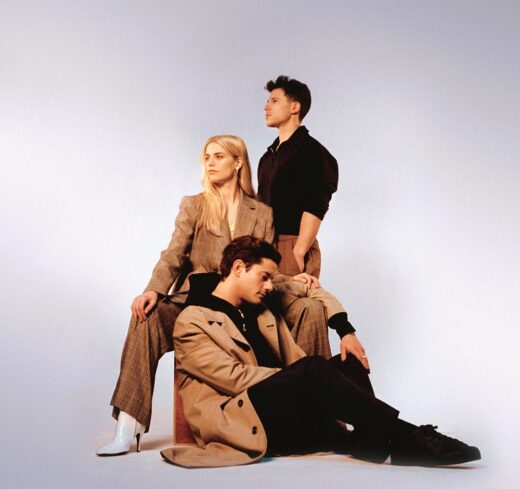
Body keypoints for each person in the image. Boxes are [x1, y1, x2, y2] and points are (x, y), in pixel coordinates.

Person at [97, 135, 335, 457]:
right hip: (195, 300)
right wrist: (153, 289)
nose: (210, 163)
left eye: (218, 156)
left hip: (243, 305)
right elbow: (174, 254)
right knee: (145, 318)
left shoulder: (262, 213)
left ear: (238, 162)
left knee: (308, 308)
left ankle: (315, 414)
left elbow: (264, 266)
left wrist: (294, 280)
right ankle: (128, 424)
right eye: (207, 157)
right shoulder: (195, 204)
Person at [161, 236, 481, 468]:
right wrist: (300, 381)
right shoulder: (193, 320)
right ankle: (410, 436)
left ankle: (369, 443)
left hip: (282, 412)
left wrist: (346, 331)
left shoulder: (260, 305)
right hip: (239, 418)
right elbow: (232, 378)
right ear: (238, 268)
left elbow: (313, 289)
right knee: (312, 369)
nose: (270, 285)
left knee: (347, 362)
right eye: (264, 277)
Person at [258, 75, 338, 277]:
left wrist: (299, 251)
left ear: (294, 107)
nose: (266, 107)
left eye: (274, 101)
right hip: (264, 246)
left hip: (291, 245)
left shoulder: (313, 151)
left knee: (295, 297)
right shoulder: (267, 158)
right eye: (267, 101)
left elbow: (316, 203)